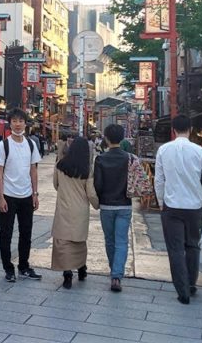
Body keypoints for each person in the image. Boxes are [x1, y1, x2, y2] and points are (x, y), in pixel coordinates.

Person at [154, 114, 202, 304]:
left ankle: (182, 290)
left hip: (171, 206)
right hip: (193, 207)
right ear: (190, 130)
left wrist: (161, 201)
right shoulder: (200, 151)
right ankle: (191, 283)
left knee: (175, 249)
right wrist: (201, 197)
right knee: (192, 245)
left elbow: (159, 180)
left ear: (173, 130)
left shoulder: (164, 150)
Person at [0, 108, 43, 283]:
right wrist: (1, 197)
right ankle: (8, 268)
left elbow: (33, 169)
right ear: (10, 123)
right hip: (8, 194)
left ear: (25, 123)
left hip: (26, 195)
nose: (18, 124)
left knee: (26, 233)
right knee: (6, 233)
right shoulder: (3, 145)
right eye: (14, 121)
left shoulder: (31, 144)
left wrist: (35, 194)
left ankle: (24, 266)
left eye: (21, 121)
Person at [51, 136, 98, 289]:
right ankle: (81, 268)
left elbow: (55, 185)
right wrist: (98, 205)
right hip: (80, 210)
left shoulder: (60, 165)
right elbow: (91, 193)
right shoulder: (87, 169)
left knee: (63, 242)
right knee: (78, 242)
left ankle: (67, 273)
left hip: (64, 208)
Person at [94, 124, 134, 292]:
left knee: (110, 240)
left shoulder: (101, 159)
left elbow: (98, 184)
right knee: (122, 241)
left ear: (106, 138)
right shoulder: (130, 158)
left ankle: (114, 271)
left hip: (106, 205)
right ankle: (116, 275)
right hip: (125, 204)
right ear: (123, 138)